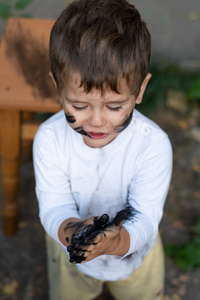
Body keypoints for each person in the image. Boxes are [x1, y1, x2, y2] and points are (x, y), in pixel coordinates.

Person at [33, 0, 173, 299]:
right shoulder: (49, 139)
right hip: (71, 259)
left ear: (140, 90)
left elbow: (145, 217)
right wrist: (77, 235)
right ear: (57, 86)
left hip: (136, 257)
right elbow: (55, 207)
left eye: (114, 106)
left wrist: (115, 242)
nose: (96, 121)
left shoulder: (152, 145)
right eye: (79, 105)